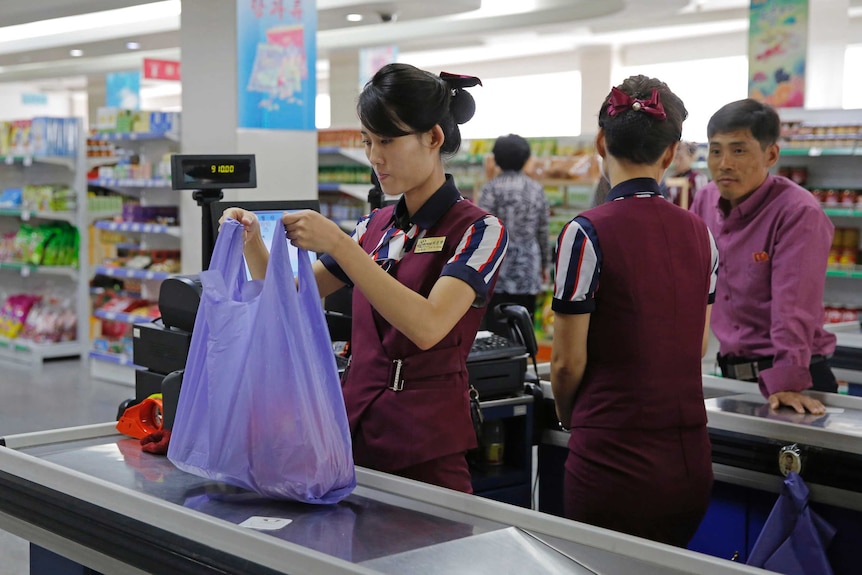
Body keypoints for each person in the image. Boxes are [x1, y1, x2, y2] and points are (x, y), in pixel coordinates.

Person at [220, 63, 508, 493]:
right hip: (349, 435)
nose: (375, 157)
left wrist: (340, 245)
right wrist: (253, 244)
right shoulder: (374, 227)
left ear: (433, 137)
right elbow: (292, 296)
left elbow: (428, 325)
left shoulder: (479, 229)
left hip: (426, 448)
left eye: (387, 140)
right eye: (368, 141)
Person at [551, 75, 718, 547]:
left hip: (611, 458)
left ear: (602, 142)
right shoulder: (701, 234)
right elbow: (698, 345)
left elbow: (566, 362)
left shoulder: (585, 232)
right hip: (688, 461)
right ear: (671, 153)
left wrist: (570, 416)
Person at [691, 99, 837, 416]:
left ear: (770, 154)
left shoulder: (798, 213)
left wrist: (787, 382)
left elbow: (794, 307)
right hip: (732, 375)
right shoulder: (704, 199)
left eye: (739, 150)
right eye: (716, 151)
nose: (724, 163)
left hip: (795, 380)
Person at [478, 133, 550, 336]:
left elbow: (482, 230)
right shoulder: (536, 189)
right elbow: (542, 230)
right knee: (523, 329)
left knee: (496, 331)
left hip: (497, 268)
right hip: (528, 267)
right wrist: (545, 265)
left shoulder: (490, 189)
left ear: (497, 159)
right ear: (525, 158)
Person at [660, 140, 708, 207]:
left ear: (691, 157)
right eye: (675, 158)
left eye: (681, 158)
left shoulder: (698, 178)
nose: (677, 162)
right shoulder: (670, 181)